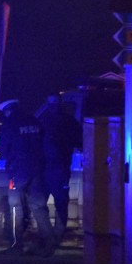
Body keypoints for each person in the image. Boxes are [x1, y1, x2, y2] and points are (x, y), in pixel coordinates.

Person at [0, 99, 55, 256]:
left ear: (8, 111)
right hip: (37, 169)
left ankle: (17, 244)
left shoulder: (10, 124)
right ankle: (48, 243)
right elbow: (44, 141)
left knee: (16, 207)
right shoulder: (34, 121)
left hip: (18, 171)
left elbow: (3, 149)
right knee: (38, 206)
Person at [38, 94, 82, 244]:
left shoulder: (42, 121)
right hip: (60, 169)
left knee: (40, 203)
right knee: (61, 203)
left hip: (45, 169)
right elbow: (81, 143)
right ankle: (56, 234)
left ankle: (46, 234)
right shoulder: (70, 122)